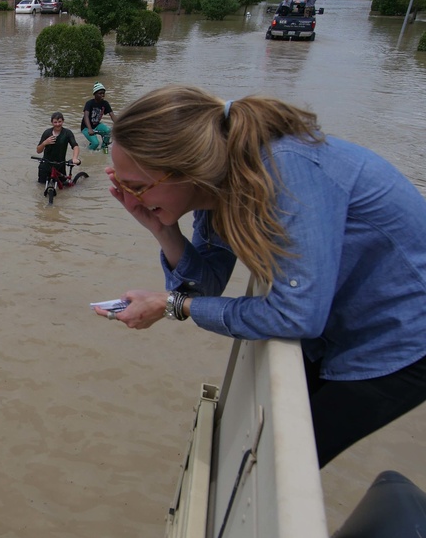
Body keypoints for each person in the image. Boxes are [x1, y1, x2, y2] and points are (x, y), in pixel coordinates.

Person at [93, 85, 426, 468]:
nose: (130, 199)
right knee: (251, 452)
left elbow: (296, 314)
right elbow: (209, 284)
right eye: (124, 187)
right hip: (334, 328)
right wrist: (162, 229)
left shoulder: (286, 171)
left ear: (184, 169)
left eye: (137, 186)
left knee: (279, 466)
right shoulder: (217, 186)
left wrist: (174, 305)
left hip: (401, 338)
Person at [36, 111, 80, 187]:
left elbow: (75, 146)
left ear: (63, 121)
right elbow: (38, 150)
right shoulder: (47, 133)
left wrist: (75, 158)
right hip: (46, 165)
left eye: (59, 122)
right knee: (41, 187)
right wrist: (45, 143)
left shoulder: (67, 133)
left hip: (60, 165)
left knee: (63, 188)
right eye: (55, 122)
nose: (57, 124)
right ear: (52, 123)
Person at [80, 82, 116, 151]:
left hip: (96, 125)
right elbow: (86, 116)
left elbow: (112, 115)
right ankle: (88, 152)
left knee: (108, 131)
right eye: (100, 93)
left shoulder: (105, 103)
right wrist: (90, 129)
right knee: (95, 143)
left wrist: (119, 124)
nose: (102, 95)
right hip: (86, 127)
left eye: (103, 93)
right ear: (95, 94)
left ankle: (103, 148)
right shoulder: (89, 103)